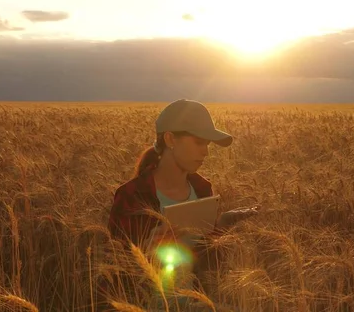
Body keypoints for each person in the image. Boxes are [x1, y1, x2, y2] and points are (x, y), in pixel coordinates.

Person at [102, 99, 259, 311]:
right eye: (198, 142)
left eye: (207, 144)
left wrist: (221, 225)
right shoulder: (132, 195)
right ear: (170, 139)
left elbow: (201, 261)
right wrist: (146, 252)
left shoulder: (203, 189)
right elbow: (113, 271)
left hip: (192, 302)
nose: (205, 152)